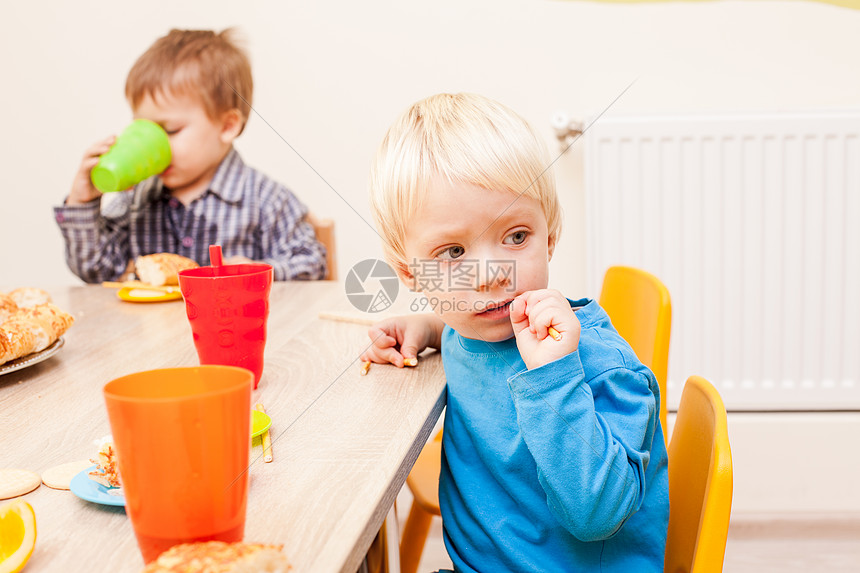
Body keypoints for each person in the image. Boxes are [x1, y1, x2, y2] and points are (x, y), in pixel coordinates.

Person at [362, 93, 669, 572]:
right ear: (411, 274)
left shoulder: (598, 364)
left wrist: (554, 378)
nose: (490, 275)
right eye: (453, 253)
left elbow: (597, 514)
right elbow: (457, 317)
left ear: (550, 236)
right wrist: (424, 326)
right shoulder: (472, 325)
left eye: (516, 237)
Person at [54, 29, 327, 282]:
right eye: (145, 130)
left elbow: (312, 264)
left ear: (227, 126)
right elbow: (96, 270)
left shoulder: (266, 200)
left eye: (169, 130)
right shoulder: (134, 200)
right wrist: (83, 201)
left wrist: (258, 272)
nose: (155, 146)